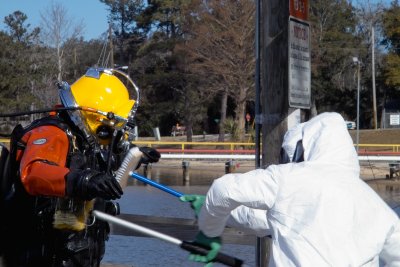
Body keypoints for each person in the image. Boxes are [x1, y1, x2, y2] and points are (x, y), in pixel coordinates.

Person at [181, 112, 400, 266]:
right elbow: (272, 220)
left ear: (304, 148)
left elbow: (223, 190)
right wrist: (223, 215)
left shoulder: (289, 179)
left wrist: (210, 230)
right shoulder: (376, 206)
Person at [0, 68, 160, 267]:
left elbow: (95, 163)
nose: (112, 132)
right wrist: (84, 180)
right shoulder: (52, 132)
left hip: (76, 254)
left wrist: (133, 156)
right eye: (111, 125)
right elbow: (34, 173)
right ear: (96, 115)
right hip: (43, 254)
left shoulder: (83, 141)